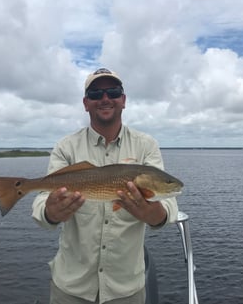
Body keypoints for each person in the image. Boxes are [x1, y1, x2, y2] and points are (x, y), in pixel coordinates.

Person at [32, 68, 179, 304]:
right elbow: (41, 202)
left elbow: (167, 207)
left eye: (113, 91)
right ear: (86, 103)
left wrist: (154, 214)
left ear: (123, 100)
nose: (105, 98)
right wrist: (50, 212)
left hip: (126, 289)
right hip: (71, 288)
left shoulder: (146, 146)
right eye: (95, 93)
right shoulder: (65, 147)